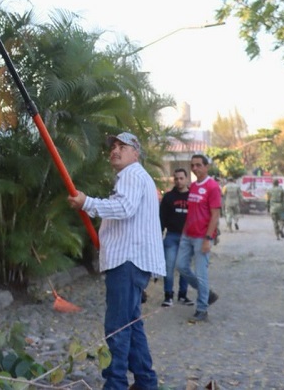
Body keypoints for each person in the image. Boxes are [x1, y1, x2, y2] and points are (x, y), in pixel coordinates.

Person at [68, 132, 165, 390]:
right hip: (131, 261)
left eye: (122, 146)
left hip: (128, 261)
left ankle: (116, 385)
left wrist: (86, 202)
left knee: (117, 328)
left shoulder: (133, 174)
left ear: (136, 153)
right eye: (113, 146)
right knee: (132, 327)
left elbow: (124, 208)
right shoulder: (135, 178)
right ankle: (145, 382)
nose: (115, 150)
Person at [175, 154, 221, 323]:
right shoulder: (193, 186)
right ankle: (207, 293)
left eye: (198, 165)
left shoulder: (212, 187)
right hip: (187, 235)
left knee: (201, 275)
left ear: (206, 167)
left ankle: (202, 309)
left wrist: (208, 238)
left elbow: (215, 215)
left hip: (202, 237)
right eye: (192, 165)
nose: (195, 169)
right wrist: (184, 233)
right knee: (181, 266)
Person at [159, 167, 193, 307]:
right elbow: (161, 218)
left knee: (184, 267)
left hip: (187, 237)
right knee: (169, 267)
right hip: (171, 236)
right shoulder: (168, 197)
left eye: (181, 178)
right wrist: (158, 236)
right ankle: (168, 295)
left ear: (186, 179)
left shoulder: (192, 196)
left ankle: (183, 295)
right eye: (176, 178)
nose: (179, 181)